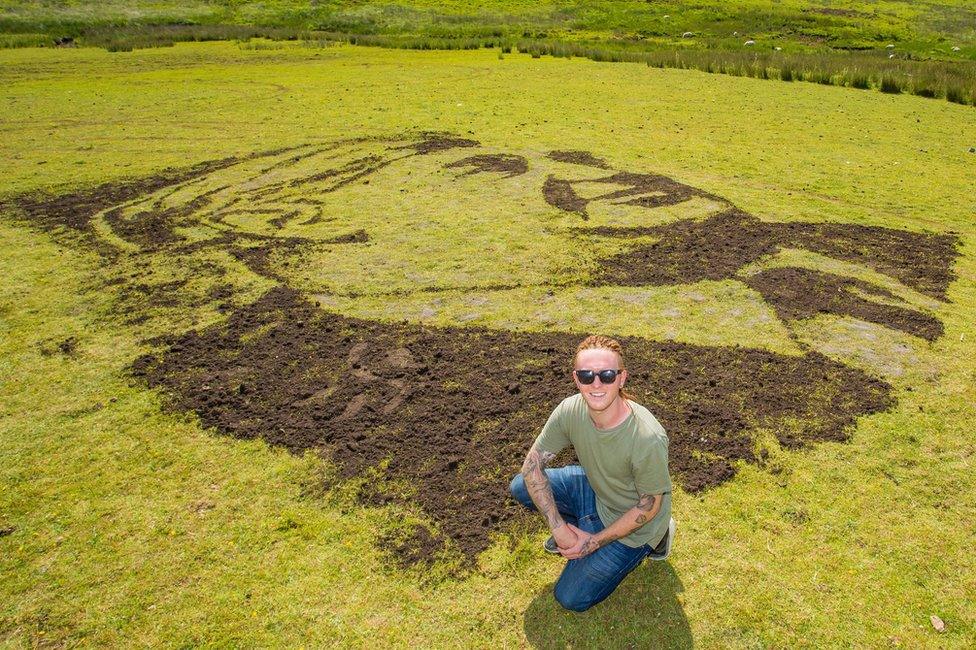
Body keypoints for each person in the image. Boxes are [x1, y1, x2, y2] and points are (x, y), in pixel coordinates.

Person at [509, 334, 672, 612]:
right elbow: (532, 466)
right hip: (596, 491)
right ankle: (578, 527)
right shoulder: (569, 410)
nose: (596, 384)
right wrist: (559, 529)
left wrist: (592, 543)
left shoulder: (647, 437)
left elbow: (650, 506)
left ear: (622, 379)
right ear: (576, 378)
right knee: (521, 486)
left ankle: (660, 538)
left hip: (636, 525)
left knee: (570, 598)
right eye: (587, 375)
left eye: (607, 375)